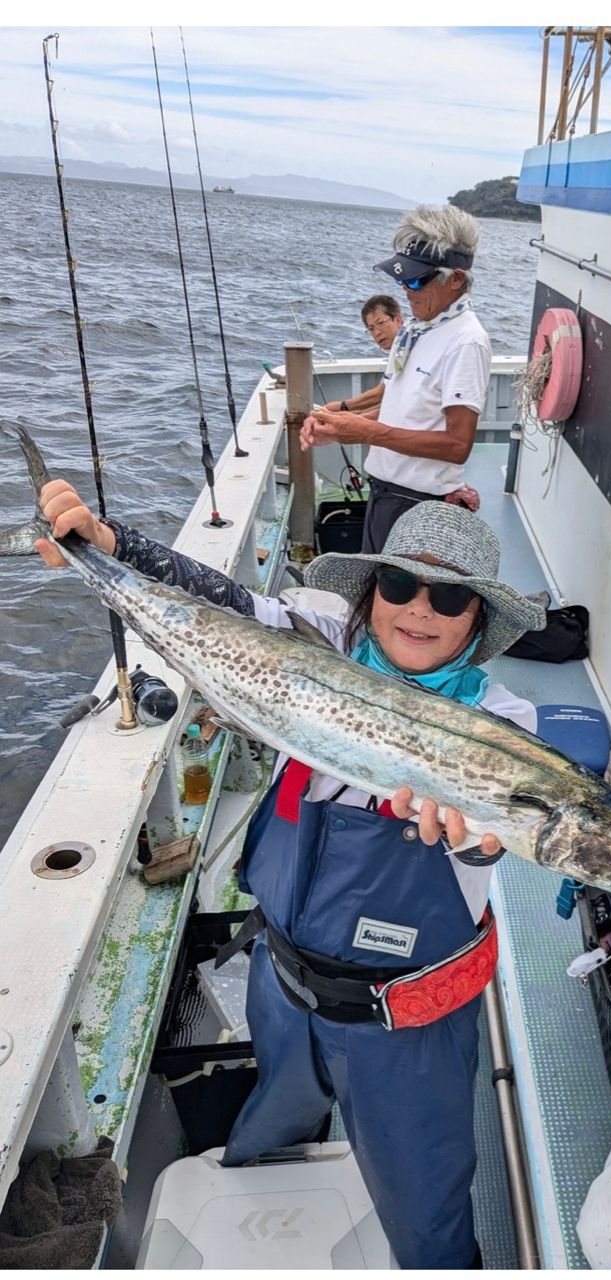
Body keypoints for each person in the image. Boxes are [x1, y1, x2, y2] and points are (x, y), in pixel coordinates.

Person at [35, 482, 546, 1270]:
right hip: (281, 984)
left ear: (477, 621)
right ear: (372, 590)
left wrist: (478, 838)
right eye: (402, 584)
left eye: (450, 597)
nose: (420, 610)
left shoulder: (500, 726)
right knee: (268, 1137)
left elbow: (490, 840)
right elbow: (223, 601)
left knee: (426, 1212)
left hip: (402, 1027)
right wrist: (106, 544)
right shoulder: (321, 635)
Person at [301, 204, 491, 552]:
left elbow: (457, 445)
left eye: (416, 279)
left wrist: (363, 431)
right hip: (385, 492)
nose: (406, 289)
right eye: (400, 278)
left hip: (416, 503)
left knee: (394, 602)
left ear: (457, 279)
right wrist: (342, 427)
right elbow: (406, 409)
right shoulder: (420, 330)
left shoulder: (466, 341)